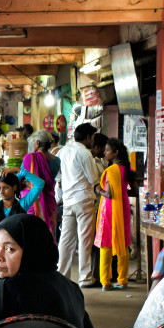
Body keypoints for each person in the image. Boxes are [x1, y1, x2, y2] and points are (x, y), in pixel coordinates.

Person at [56, 123, 100, 287]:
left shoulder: (63, 151)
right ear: (88, 137)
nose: (93, 141)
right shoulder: (85, 153)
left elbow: (58, 177)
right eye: (93, 138)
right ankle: (85, 277)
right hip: (84, 200)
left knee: (66, 240)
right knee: (85, 239)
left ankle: (62, 275)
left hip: (68, 201)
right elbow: (93, 179)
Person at [96, 138, 133, 290]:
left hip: (109, 210)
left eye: (107, 150)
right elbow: (134, 191)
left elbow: (109, 194)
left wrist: (97, 189)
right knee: (122, 243)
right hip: (123, 208)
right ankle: (122, 280)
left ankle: (105, 282)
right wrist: (122, 192)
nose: (105, 153)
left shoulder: (110, 171)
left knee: (106, 244)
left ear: (115, 152)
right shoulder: (128, 170)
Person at [20, 131, 60, 239]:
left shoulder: (29, 158)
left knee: (31, 234)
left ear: (37, 143)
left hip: (33, 202)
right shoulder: (57, 161)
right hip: (50, 201)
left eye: (33, 142)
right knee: (48, 234)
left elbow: (21, 177)